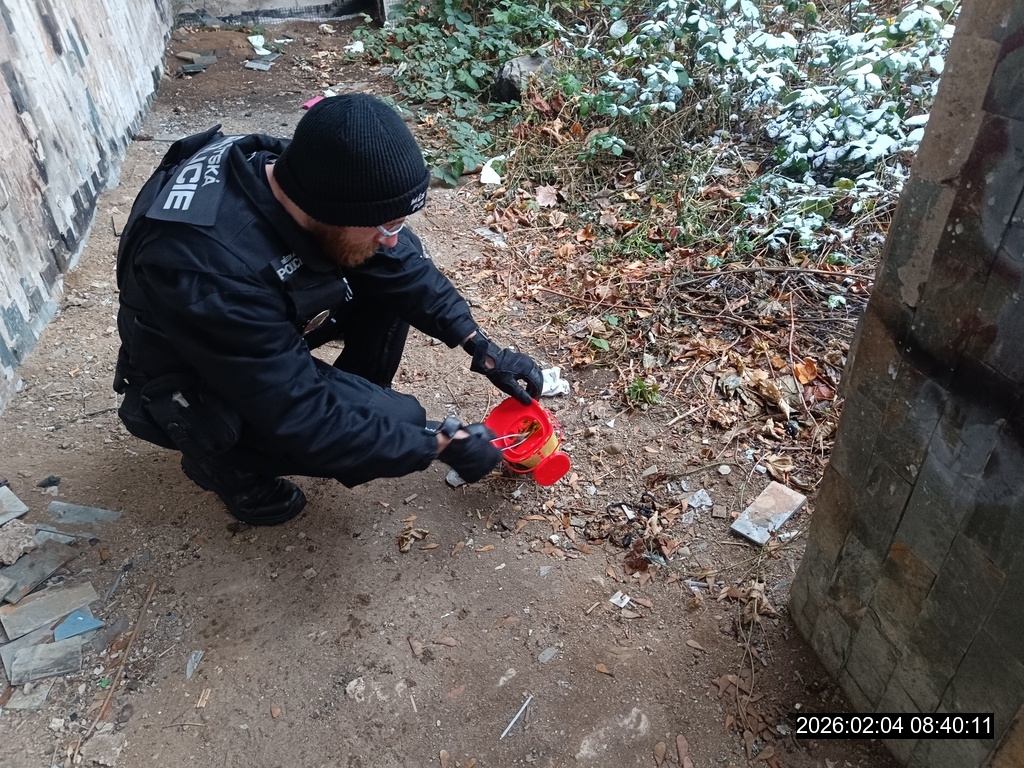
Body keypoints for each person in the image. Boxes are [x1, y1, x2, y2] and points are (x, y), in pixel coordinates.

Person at [113, 94, 543, 526]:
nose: (393, 237)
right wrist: (435, 445)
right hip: (193, 375)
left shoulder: (302, 173)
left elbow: (397, 263)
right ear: (333, 212)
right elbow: (302, 418)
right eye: (387, 224)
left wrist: (479, 345)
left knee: (378, 273)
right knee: (398, 419)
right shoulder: (208, 272)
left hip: (253, 322)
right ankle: (225, 466)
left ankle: (358, 402)